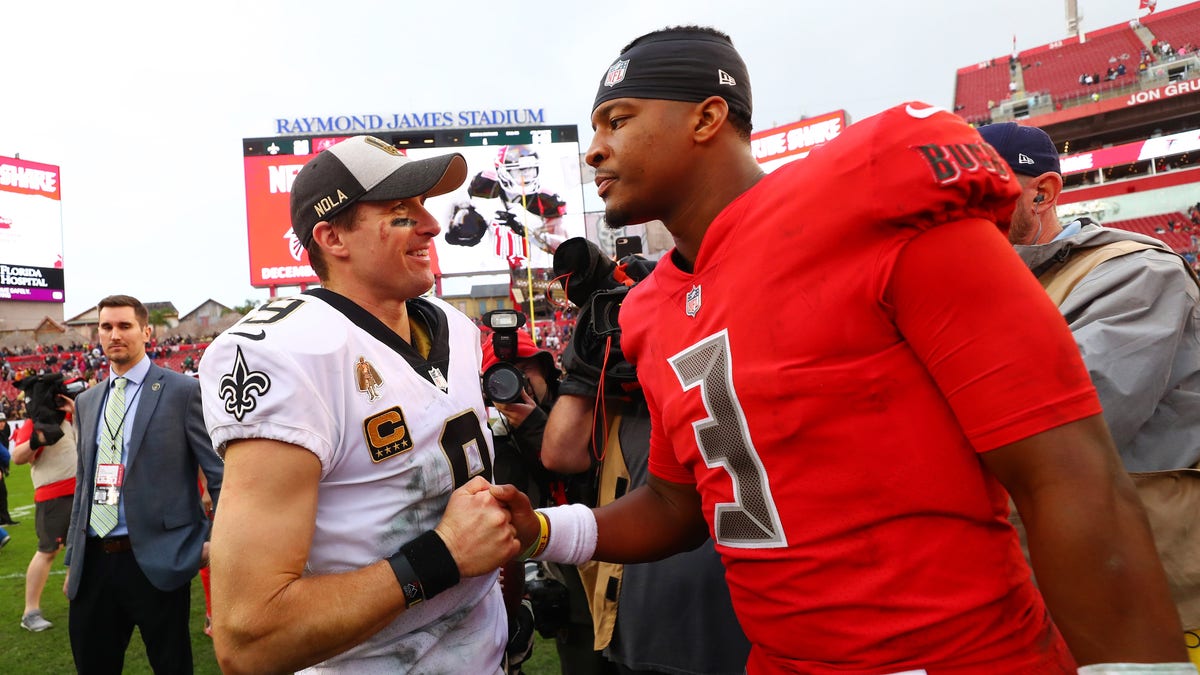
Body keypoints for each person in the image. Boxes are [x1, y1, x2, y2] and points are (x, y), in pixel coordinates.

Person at [492, 26, 1190, 674]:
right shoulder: (650, 306)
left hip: (958, 654)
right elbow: (677, 508)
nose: (595, 149)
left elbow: (1068, 473)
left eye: (620, 120)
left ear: (706, 119)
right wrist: (544, 527)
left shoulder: (876, 205)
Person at [199, 135, 520, 673]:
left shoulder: (456, 329)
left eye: (423, 205)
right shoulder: (289, 352)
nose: (432, 225)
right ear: (331, 236)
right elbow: (248, 638)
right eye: (401, 211)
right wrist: (441, 557)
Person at [540, 258, 751, 675]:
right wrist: (586, 369)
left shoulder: (732, 353)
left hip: (736, 608)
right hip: (643, 612)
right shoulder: (625, 394)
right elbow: (560, 453)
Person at [978, 121, 1200, 472]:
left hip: (1135, 519)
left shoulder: (1141, 271)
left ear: (1042, 194)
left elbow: (1061, 432)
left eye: (976, 192)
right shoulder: (986, 281)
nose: (955, 212)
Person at [63, 294, 225, 673]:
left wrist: (218, 540)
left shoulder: (182, 391)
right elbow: (85, 483)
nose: (114, 334)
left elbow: (219, 474)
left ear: (146, 331)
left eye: (124, 326)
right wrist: (74, 556)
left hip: (158, 558)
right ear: (97, 334)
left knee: (171, 666)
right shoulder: (86, 402)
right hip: (95, 562)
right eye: (106, 327)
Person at [483, 326, 614, 674]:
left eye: (525, 370)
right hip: (557, 576)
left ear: (547, 369)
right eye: (503, 375)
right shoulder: (487, 433)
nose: (517, 383)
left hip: (601, 554)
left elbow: (589, 480)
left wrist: (536, 426)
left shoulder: (574, 410)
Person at [10, 375, 77, 633]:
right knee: (48, 550)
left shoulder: (70, 419)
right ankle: (30, 611)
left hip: (80, 493)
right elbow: (17, 457)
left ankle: (75, 593)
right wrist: (37, 440)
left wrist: (73, 410)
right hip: (53, 496)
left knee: (83, 548)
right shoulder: (35, 423)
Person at [0, 411, 15, 525]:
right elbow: (5, 454)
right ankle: (5, 519)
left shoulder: (5, 431)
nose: (2, 424)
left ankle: (4, 519)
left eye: (3, 421)